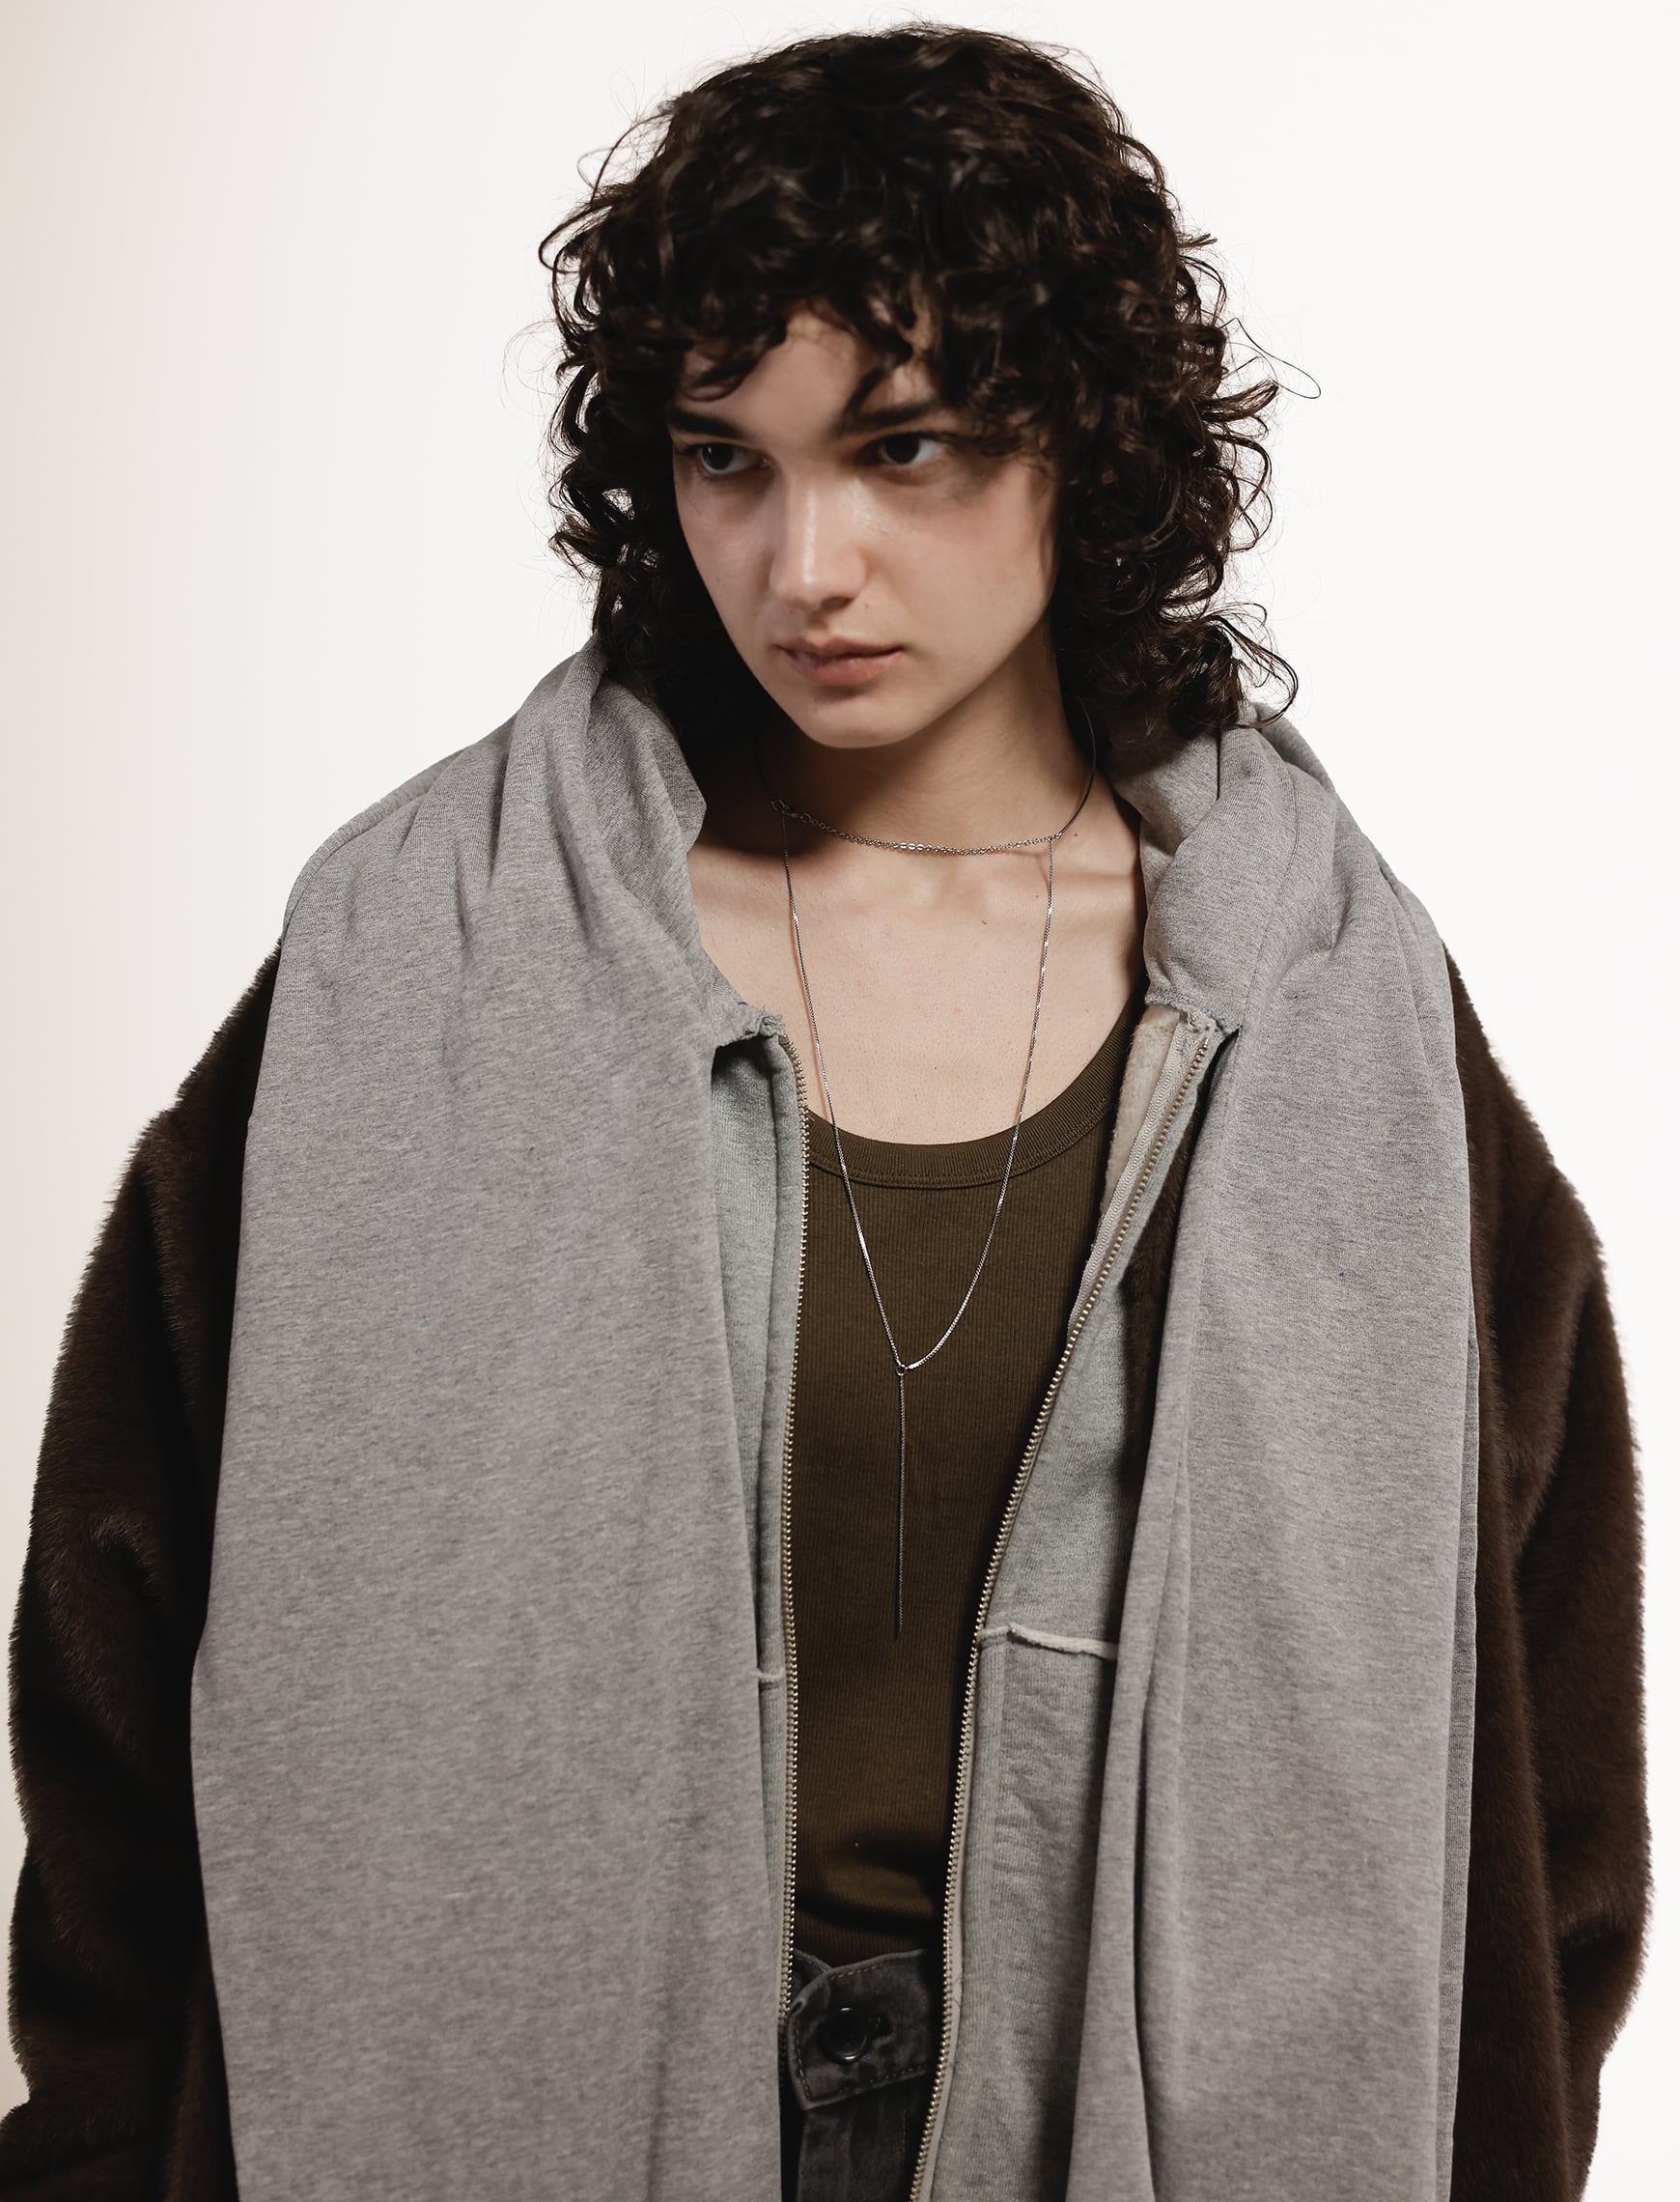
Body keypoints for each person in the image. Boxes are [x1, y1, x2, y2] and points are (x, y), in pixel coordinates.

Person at [0, 24, 1650, 2202]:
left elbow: (1545, 1779)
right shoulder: (424, 951)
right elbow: (119, 1684)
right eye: (727, 459)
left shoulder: (1331, 1016)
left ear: (1081, 438)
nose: (805, 565)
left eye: (905, 449)